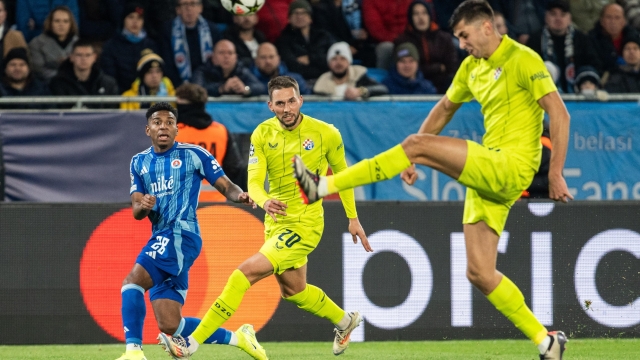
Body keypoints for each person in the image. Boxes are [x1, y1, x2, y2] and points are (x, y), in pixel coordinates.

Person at [293, 1, 573, 359]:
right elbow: (444, 108)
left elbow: (559, 113)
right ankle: (546, 340)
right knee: (480, 272)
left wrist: (555, 172)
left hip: (512, 167)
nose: (461, 44)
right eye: (457, 37)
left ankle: (323, 186)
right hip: (491, 176)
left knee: (414, 144)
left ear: (487, 27)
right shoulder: (471, 67)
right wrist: (414, 157)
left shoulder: (523, 59)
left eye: (464, 35)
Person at [157, 75, 370, 359]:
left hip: (305, 224)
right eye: (280, 103)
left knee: (242, 274)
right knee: (294, 291)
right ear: (270, 105)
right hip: (275, 223)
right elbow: (254, 182)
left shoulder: (326, 133)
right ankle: (345, 321)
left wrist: (352, 218)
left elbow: (344, 176)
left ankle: (191, 344)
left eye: (292, 101)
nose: (287, 108)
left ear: (301, 100)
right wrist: (264, 199)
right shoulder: (262, 134)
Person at [120, 101, 266, 360]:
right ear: (148, 130)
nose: (163, 127)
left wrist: (240, 195)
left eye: (169, 122)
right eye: (157, 122)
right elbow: (136, 212)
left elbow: (225, 185)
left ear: (177, 129)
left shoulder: (194, 154)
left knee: (132, 282)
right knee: (170, 324)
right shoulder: (138, 162)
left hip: (182, 233)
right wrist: (143, 205)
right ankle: (239, 338)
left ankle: (133, 351)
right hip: (161, 236)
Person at [174, 82, 247, 201]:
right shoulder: (220, 131)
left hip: (182, 204)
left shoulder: (174, 133)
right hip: (215, 202)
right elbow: (235, 167)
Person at [525, 0, 602, 94]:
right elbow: (527, 68)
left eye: (563, 14)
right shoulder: (535, 40)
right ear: (546, 17)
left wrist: (586, 80)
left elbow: (594, 64)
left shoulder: (582, 39)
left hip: (579, 98)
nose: (558, 18)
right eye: (553, 14)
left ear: (569, 18)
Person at [393, 0, 458, 93]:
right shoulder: (402, 40)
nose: (420, 18)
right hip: (415, 86)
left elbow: (451, 67)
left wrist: (425, 69)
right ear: (410, 17)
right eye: (416, 14)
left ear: (430, 15)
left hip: (443, 85)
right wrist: (438, 68)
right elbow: (406, 68)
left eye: (424, 13)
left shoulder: (444, 38)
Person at [158, 0, 221, 86]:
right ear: (178, 10)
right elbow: (167, 63)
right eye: (185, 4)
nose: (189, 9)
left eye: (193, 4)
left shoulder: (212, 30)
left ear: (200, 8)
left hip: (208, 85)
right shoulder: (168, 30)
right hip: (178, 85)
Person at [100, 2, 159, 93]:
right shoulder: (111, 46)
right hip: (120, 97)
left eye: (139, 18)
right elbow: (110, 76)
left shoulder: (151, 45)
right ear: (124, 19)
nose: (135, 22)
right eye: (131, 17)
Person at [275, 0, 335, 81]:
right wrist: (319, 64)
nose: (299, 16)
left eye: (303, 13)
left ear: (310, 18)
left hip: (328, 79)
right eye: (296, 13)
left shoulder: (323, 35)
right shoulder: (283, 40)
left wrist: (311, 58)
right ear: (289, 18)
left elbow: (333, 58)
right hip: (301, 81)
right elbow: (292, 65)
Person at [49, 39, 119, 107]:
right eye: (79, 55)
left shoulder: (108, 84)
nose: (83, 59)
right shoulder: (58, 83)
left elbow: (113, 111)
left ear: (94, 57)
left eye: (88, 55)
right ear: (71, 57)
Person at [313, 41, 389, 99]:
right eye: (334, 59)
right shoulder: (322, 82)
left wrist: (361, 91)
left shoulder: (359, 76)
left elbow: (383, 89)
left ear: (349, 62)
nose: (338, 63)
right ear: (329, 64)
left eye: (343, 59)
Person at [192, 39, 265, 97]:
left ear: (236, 57)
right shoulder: (202, 71)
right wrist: (221, 88)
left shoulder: (241, 70)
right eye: (221, 53)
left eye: (230, 53)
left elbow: (261, 87)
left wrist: (245, 89)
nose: (226, 56)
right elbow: (196, 91)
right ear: (213, 57)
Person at [27, 5, 78, 83]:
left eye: (66, 21)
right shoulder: (37, 43)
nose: (61, 24)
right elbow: (39, 70)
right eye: (57, 21)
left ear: (71, 24)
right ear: (50, 23)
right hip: (47, 85)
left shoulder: (78, 43)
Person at [588, 3, 640, 72]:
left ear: (623, 22)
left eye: (617, 17)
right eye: (609, 17)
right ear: (602, 21)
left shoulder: (634, 37)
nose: (613, 22)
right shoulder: (591, 40)